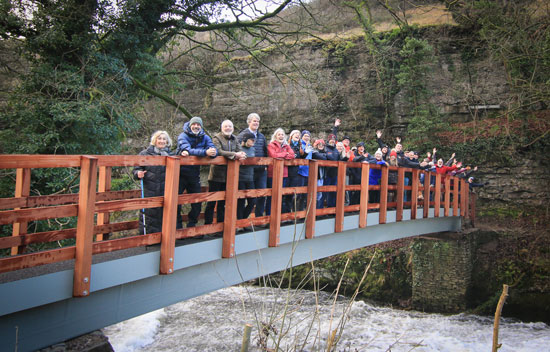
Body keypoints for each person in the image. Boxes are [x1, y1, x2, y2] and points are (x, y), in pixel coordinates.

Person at [133, 131, 181, 234]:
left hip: (166, 189)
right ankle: (149, 237)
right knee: (150, 213)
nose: (162, 141)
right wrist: (138, 173)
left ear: (167, 141)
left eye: (164, 139)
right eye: (159, 139)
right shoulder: (144, 154)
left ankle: (166, 238)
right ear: (155, 140)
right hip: (150, 188)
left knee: (166, 213)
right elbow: (136, 169)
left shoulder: (171, 155)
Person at [177, 116, 217, 227]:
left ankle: (191, 225)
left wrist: (213, 152)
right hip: (179, 174)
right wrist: (205, 153)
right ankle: (177, 227)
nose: (196, 126)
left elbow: (214, 149)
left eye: (198, 125)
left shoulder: (204, 137)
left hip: (194, 174)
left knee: (197, 202)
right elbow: (188, 150)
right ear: (190, 125)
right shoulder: (183, 136)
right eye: (194, 124)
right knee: (176, 202)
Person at [204, 120, 246, 225]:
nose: (228, 128)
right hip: (216, 176)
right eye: (226, 126)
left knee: (223, 202)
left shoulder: (235, 138)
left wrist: (241, 154)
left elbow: (239, 149)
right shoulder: (216, 138)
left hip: (229, 176)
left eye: (230, 126)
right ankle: (208, 225)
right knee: (211, 202)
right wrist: (235, 155)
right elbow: (219, 151)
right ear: (222, 128)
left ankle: (220, 225)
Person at [238, 113, 268, 217]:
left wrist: (266, 164)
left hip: (261, 170)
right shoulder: (242, 134)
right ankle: (241, 220)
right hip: (247, 171)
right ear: (249, 122)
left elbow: (265, 151)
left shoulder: (261, 136)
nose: (256, 123)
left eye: (257, 121)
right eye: (254, 121)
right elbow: (238, 150)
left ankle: (258, 219)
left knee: (261, 194)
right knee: (244, 197)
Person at [266, 128, 295, 214]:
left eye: (282, 134)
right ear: (275, 136)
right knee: (272, 196)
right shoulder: (271, 145)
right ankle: (269, 215)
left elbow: (292, 155)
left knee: (281, 196)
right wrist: (285, 154)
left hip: (284, 174)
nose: (281, 136)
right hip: (273, 174)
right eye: (279, 134)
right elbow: (274, 155)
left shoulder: (287, 146)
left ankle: (279, 215)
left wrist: (283, 155)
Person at [237, 132, 257, 220]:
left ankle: (243, 219)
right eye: (251, 140)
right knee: (241, 201)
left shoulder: (253, 149)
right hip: (240, 178)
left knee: (252, 201)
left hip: (250, 177)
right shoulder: (239, 148)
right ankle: (240, 222)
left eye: (254, 140)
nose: (253, 141)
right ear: (245, 140)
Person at [287, 130, 303, 212]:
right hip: (287, 172)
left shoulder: (300, 146)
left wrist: (305, 153)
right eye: (296, 134)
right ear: (291, 136)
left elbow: (302, 158)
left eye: (299, 134)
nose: (298, 135)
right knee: (285, 194)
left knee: (292, 194)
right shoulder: (288, 145)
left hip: (295, 172)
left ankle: (291, 213)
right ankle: (284, 214)